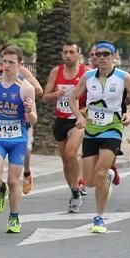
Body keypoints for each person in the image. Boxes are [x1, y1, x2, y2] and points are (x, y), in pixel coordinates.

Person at [69, 41, 130, 233]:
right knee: (89, 181)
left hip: (113, 129)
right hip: (91, 131)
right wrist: (79, 117)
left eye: (105, 54)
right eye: (97, 54)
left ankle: (99, 218)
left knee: (100, 172)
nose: (101, 58)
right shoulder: (88, 77)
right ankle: (110, 176)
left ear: (113, 57)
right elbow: (72, 98)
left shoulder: (122, 77)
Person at [0, 45, 36, 233]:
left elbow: (34, 118)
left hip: (18, 141)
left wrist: (29, 111)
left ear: (20, 65)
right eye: (4, 61)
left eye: (11, 63)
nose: (6, 66)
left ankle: (14, 218)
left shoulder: (26, 88)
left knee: (15, 181)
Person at [42, 41, 87, 212]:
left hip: (77, 120)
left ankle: (77, 188)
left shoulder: (86, 72)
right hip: (60, 120)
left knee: (71, 153)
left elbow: (96, 96)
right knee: (65, 161)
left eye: (71, 52)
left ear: (78, 54)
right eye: (65, 52)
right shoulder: (56, 71)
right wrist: (55, 94)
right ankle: (74, 191)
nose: (68, 55)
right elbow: (45, 97)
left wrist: (84, 110)